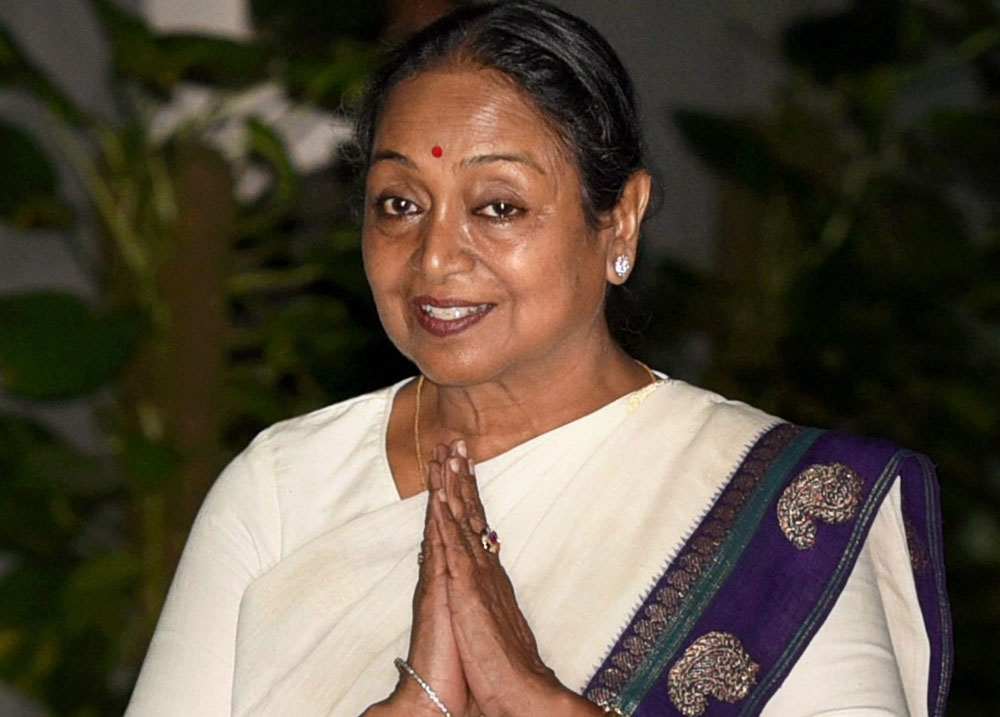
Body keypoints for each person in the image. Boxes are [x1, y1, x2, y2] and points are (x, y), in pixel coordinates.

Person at [125, 2, 952, 715]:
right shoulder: (282, 489)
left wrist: (540, 701)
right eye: (400, 203)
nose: (434, 257)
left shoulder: (775, 515)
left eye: (498, 206)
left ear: (620, 221)